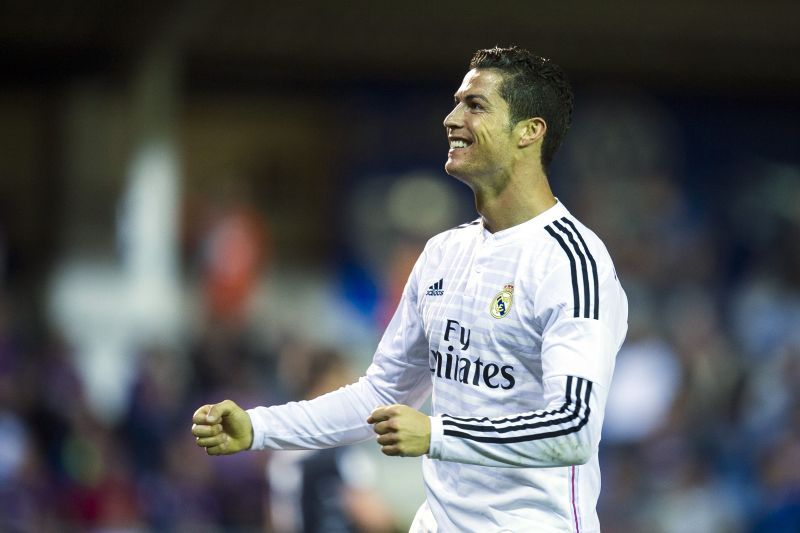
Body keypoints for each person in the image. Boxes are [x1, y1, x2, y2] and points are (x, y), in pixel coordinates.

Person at [192, 46, 628, 532]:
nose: (451, 118)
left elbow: (573, 428)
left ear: (530, 130)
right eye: (456, 102)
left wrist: (438, 433)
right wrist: (258, 427)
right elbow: (377, 395)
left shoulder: (571, 262)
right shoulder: (443, 254)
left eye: (475, 106)